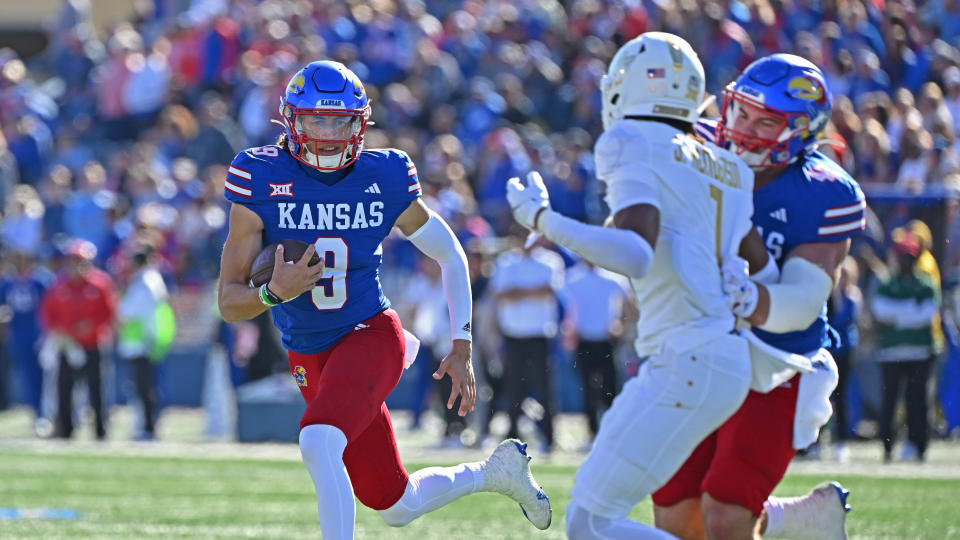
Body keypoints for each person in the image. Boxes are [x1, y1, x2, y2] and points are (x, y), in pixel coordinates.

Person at [216, 61, 551, 539]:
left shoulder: (385, 173)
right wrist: (273, 292)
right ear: (291, 120)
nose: (330, 134)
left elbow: (452, 256)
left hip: (369, 333)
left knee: (318, 440)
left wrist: (462, 344)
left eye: (342, 121)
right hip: (310, 351)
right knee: (395, 504)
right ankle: (496, 473)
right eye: (317, 119)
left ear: (361, 123)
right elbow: (229, 303)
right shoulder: (259, 174)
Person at [508, 32, 762, 539]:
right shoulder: (726, 162)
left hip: (686, 358)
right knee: (592, 519)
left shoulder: (631, 139)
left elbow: (635, 254)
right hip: (721, 356)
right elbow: (755, 261)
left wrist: (542, 220)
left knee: (591, 525)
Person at [652, 54, 864, 540]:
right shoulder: (694, 144)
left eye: (765, 122)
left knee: (725, 515)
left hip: (775, 360)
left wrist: (749, 299)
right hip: (700, 346)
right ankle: (795, 519)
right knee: (676, 513)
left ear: (798, 133)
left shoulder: (823, 193)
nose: (743, 128)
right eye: (741, 112)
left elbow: (803, 300)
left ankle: (772, 517)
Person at [489, 232, 565, 452]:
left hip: (540, 335)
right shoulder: (506, 262)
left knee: (545, 387)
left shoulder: (550, 260)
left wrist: (518, 291)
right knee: (513, 387)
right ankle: (512, 435)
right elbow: (501, 294)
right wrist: (533, 291)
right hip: (513, 335)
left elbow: (549, 290)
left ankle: (549, 436)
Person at [871, 232, 940, 462]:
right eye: (902, 257)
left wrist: (898, 316)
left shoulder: (925, 283)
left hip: (920, 353)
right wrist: (909, 311)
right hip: (891, 354)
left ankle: (918, 445)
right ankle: (888, 446)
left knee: (918, 401)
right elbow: (881, 310)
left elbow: (926, 314)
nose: (905, 263)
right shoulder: (887, 283)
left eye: (909, 258)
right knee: (890, 401)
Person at [40, 239, 116, 440]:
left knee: (96, 389)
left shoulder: (101, 284)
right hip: (68, 344)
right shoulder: (59, 285)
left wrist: (93, 326)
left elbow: (110, 313)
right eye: (72, 261)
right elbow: (47, 314)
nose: (76, 266)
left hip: (93, 343)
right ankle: (66, 429)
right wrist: (60, 332)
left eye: (80, 261)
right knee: (64, 388)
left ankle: (100, 430)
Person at [560, 260, 633, 440]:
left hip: (607, 340)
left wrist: (620, 325)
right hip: (583, 340)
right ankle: (592, 432)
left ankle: (613, 431)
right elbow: (565, 306)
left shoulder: (612, 277)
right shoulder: (573, 277)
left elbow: (628, 303)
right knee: (587, 388)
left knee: (610, 387)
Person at [116, 244, 175, 440]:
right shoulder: (146, 280)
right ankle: (146, 425)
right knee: (143, 386)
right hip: (141, 342)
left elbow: (133, 311)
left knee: (145, 387)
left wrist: (151, 339)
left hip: (143, 342)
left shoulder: (146, 282)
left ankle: (148, 427)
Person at [0, 251, 50, 424]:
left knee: (46, 377)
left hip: (40, 336)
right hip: (19, 337)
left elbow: (49, 307)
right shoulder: (7, 284)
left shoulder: (40, 282)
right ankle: (38, 413)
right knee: (28, 378)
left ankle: (48, 412)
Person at [827, 256, 862, 462]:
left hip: (845, 352)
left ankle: (841, 441)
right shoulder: (829, 296)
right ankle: (815, 443)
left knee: (841, 398)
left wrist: (837, 296)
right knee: (821, 397)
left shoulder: (852, 297)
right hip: (829, 351)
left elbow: (841, 320)